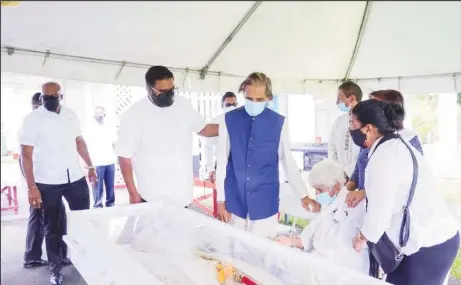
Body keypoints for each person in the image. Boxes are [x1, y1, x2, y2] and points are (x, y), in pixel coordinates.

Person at [349, 99, 459, 285]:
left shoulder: (384, 156)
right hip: (435, 239)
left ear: (368, 128)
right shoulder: (395, 145)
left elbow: (379, 210)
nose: (350, 129)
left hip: (428, 245)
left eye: (353, 124)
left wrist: (361, 238)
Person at [215, 72, 320, 238]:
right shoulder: (229, 119)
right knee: (234, 251)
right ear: (243, 93)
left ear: (269, 98)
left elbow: (287, 160)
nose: (254, 103)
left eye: (259, 100)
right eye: (250, 99)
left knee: (263, 252)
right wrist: (221, 200)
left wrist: (303, 194)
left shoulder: (278, 122)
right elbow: (221, 160)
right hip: (235, 198)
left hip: (265, 198)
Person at [18, 82, 96, 285]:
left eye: (55, 96)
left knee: (83, 221)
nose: (50, 99)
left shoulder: (70, 114)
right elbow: (25, 155)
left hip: (75, 178)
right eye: (46, 97)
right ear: (42, 98)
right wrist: (31, 186)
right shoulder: (32, 120)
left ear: (61, 96)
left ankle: (83, 260)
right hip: (47, 181)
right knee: (51, 227)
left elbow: (79, 142)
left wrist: (90, 166)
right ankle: (55, 268)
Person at [115, 66, 218, 207]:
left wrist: (233, 127)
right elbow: (124, 157)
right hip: (152, 198)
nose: (168, 95)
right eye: (162, 91)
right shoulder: (134, 115)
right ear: (148, 89)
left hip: (182, 197)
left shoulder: (182, 104)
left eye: (171, 90)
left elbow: (204, 129)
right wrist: (133, 193)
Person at [275, 159, 369, 274]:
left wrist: (308, 258)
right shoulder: (330, 206)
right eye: (315, 190)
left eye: (320, 190)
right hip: (323, 264)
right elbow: (312, 234)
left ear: (335, 187)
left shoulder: (351, 207)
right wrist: (292, 241)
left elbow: (337, 251)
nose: (317, 194)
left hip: (341, 271)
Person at [345, 89, 424, 207]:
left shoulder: (406, 140)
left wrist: (366, 193)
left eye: (374, 105)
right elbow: (359, 168)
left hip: (387, 209)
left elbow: (403, 183)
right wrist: (346, 189)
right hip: (363, 207)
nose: (369, 108)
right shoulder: (370, 136)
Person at [328, 81, 362, 180]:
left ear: (352, 98)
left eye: (340, 99)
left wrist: (348, 171)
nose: (337, 103)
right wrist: (336, 172)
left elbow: (365, 152)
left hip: (358, 176)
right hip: (339, 176)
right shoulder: (339, 121)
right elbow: (332, 148)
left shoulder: (367, 121)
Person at [203, 92, 238, 183]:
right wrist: (210, 168)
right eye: (228, 104)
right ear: (222, 105)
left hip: (241, 169)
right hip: (223, 167)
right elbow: (208, 147)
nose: (231, 107)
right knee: (223, 195)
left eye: (234, 104)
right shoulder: (216, 121)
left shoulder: (244, 121)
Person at [85, 106, 117, 208]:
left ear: (105, 114)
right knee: (97, 187)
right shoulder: (89, 127)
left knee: (110, 186)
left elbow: (114, 142)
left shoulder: (109, 126)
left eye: (101, 113)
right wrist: (88, 165)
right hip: (97, 163)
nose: (99, 115)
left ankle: (110, 204)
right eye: (97, 113)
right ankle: (98, 205)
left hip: (110, 161)